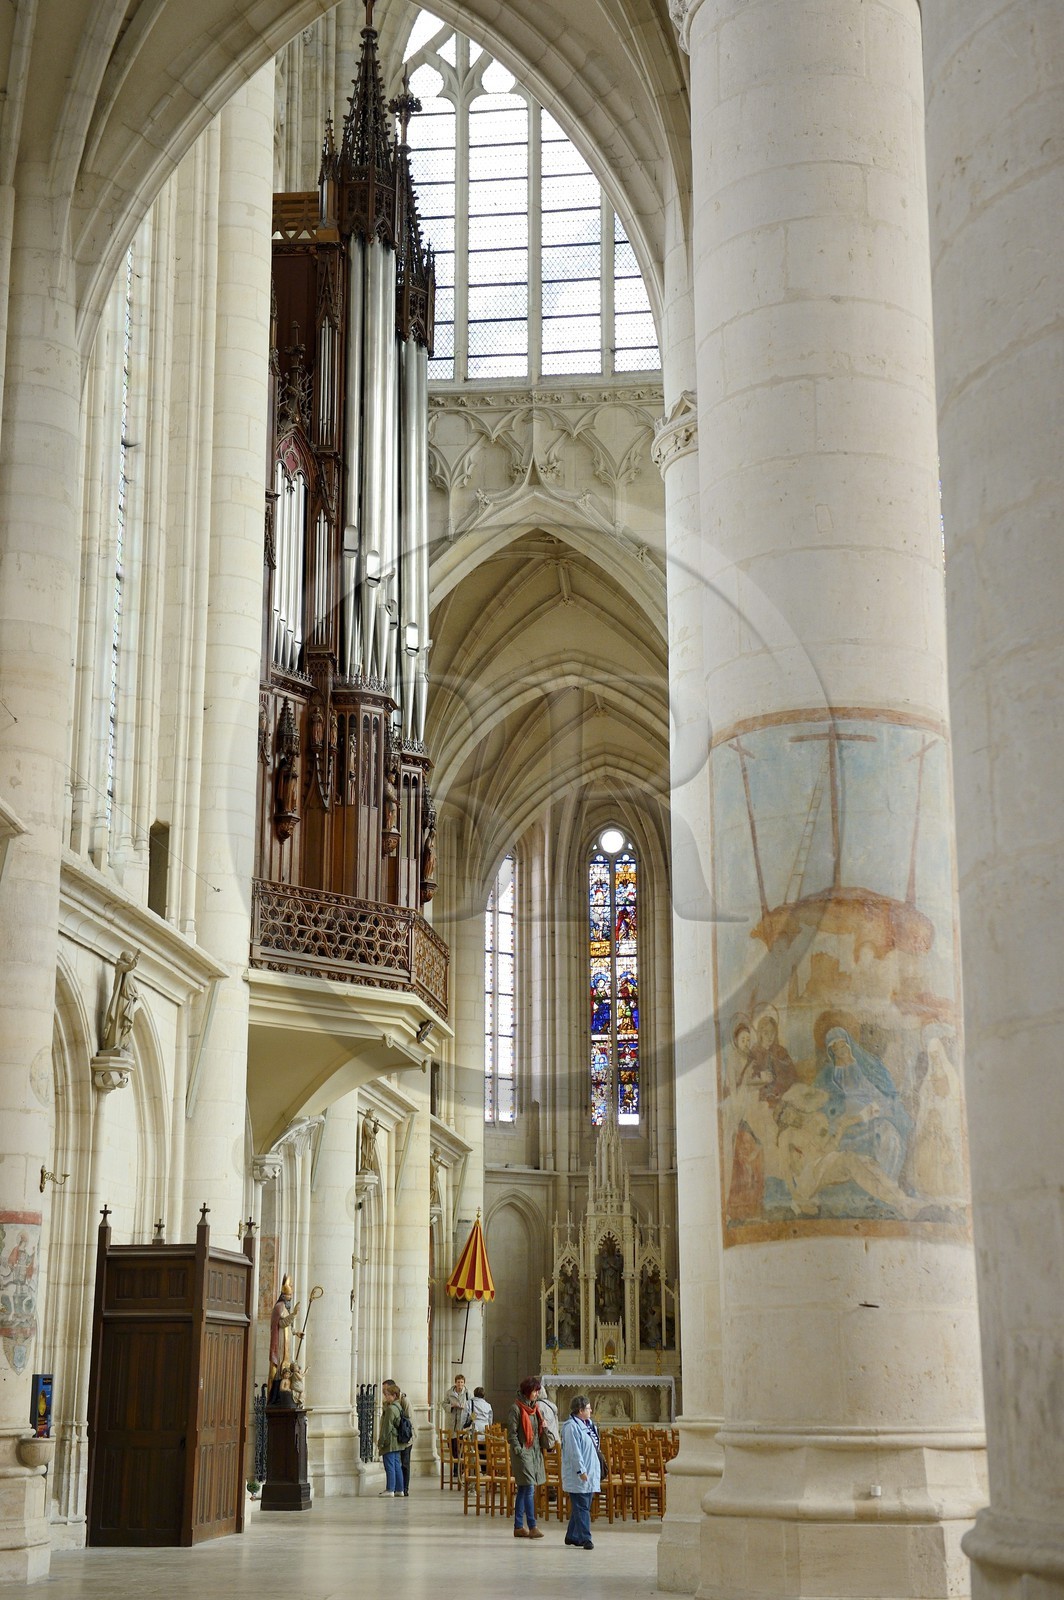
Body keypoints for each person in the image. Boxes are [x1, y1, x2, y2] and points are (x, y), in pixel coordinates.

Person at [507, 1376, 546, 1538]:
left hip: (534, 1452)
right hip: (522, 1453)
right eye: (535, 1391)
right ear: (527, 1391)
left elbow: (536, 1432)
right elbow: (512, 1433)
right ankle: (532, 1526)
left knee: (523, 1489)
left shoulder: (535, 1408)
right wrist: (519, 1450)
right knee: (529, 1488)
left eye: (538, 1391)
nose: (537, 1394)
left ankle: (518, 1527)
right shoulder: (516, 1408)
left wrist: (543, 1425)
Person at [560, 1395, 601, 1550]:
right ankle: (585, 1538)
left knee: (582, 1505)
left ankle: (572, 1535)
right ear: (580, 1410)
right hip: (579, 1474)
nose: (591, 1410)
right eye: (588, 1408)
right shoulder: (571, 1427)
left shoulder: (589, 1424)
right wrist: (581, 1470)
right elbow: (573, 1451)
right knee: (582, 1506)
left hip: (590, 1471)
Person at [101, 949, 140, 1053]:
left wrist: (135, 994)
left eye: (132, 956)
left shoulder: (129, 971)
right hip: (122, 999)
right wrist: (137, 956)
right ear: (125, 957)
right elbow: (130, 967)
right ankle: (114, 1043)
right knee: (118, 1022)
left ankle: (120, 1042)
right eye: (130, 955)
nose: (131, 957)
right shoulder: (121, 966)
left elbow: (130, 984)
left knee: (123, 1023)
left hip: (128, 1000)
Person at [268, 1275, 296, 1403]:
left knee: (284, 1365)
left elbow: (289, 1326)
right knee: (278, 1367)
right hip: (279, 1342)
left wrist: (296, 1332)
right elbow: (282, 1323)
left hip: (286, 1342)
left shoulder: (286, 1307)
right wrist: (294, 1314)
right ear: (284, 1297)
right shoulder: (279, 1307)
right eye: (289, 1297)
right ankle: (276, 1397)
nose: (290, 1299)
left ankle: (284, 1394)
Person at [377, 1381, 404, 1497]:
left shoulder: (391, 1409)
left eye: (387, 1394)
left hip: (390, 1441)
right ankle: (399, 1489)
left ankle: (390, 1489)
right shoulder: (398, 1406)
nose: (386, 1397)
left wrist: (381, 1442)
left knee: (389, 1465)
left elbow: (386, 1427)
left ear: (394, 1396)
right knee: (396, 1465)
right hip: (396, 1440)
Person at [446, 1374, 472, 1482]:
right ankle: (456, 1468)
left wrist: (465, 1409)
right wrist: (451, 1406)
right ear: (455, 1383)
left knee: (461, 1446)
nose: (460, 1384)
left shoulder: (468, 1393)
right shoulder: (449, 1393)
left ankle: (460, 1469)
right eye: (458, 1382)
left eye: (461, 1382)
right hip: (453, 1422)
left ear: (464, 1383)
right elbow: (443, 1403)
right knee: (452, 1445)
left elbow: (472, 1407)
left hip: (463, 1423)